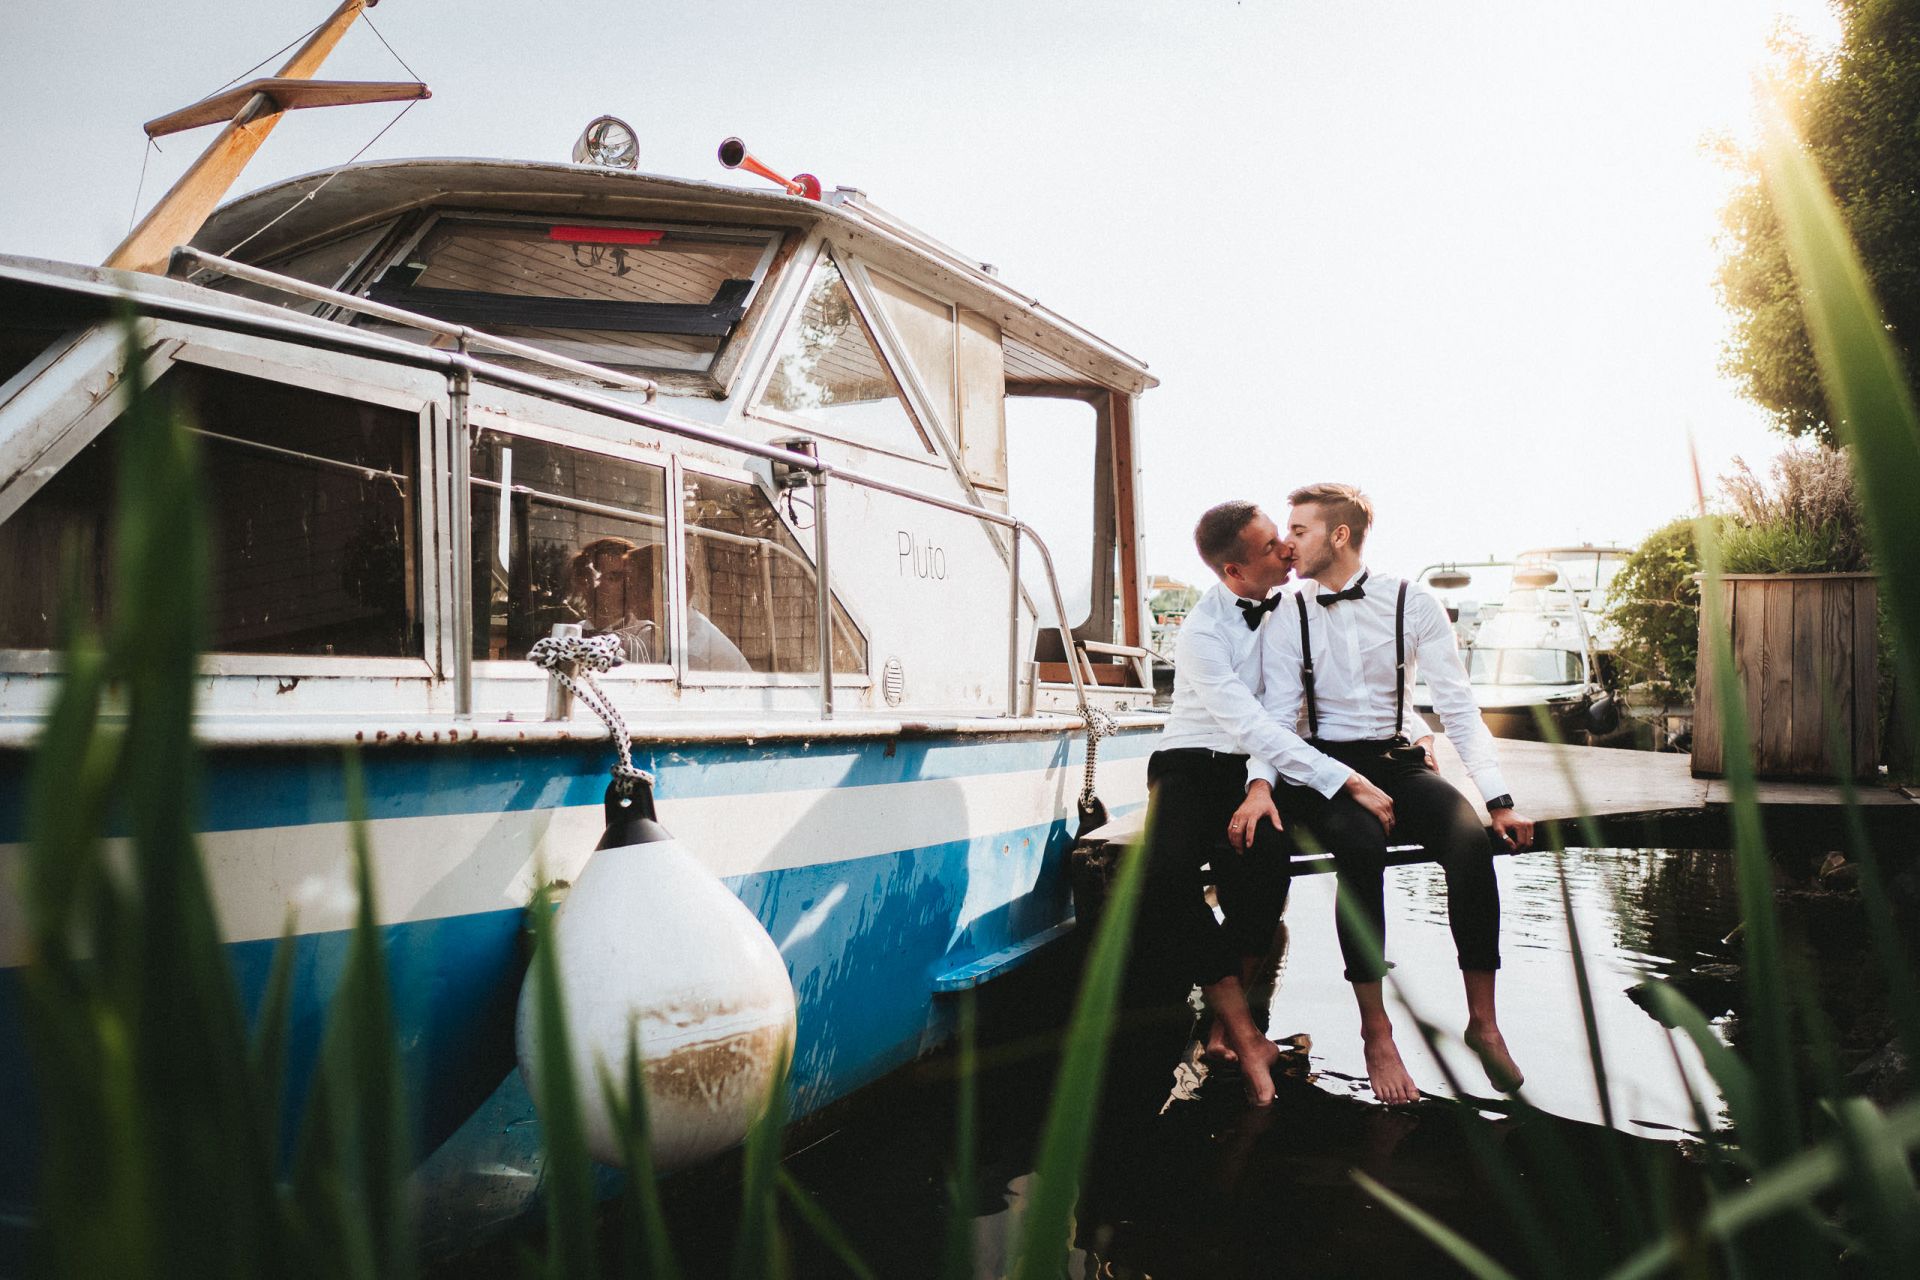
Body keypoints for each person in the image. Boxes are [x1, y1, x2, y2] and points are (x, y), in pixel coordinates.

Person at [1232, 482, 1532, 1103]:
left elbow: (1456, 703)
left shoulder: (1412, 602)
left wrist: (1498, 798)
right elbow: (1277, 714)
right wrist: (1261, 784)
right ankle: (1377, 1030)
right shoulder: (1290, 609)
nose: (1288, 544)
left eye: (1300, 530)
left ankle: (1484, 1021)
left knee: (1468, 841)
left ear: (1338, 536)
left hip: (1397, 759)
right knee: (1360, 848)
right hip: (1325, 769)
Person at [1136, 500, 1308, 1107]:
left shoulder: (1293, 609)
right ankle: (1242, 1029)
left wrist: (1261, 787)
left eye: (1283, 538)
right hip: (1190, 756)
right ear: (1234, 572)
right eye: (1270, 547)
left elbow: (1277, 716)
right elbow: (1242, 717)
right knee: (1163, 877)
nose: (1287, 549)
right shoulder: (1202, 630)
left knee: (1264, 865)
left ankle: (1220, 1028)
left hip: (1254, 764)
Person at [566, 537, 753, 672]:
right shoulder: (660, 632)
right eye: (617, 578)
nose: (626, 588)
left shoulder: (689, 650)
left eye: (628, 580)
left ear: (655, 589)